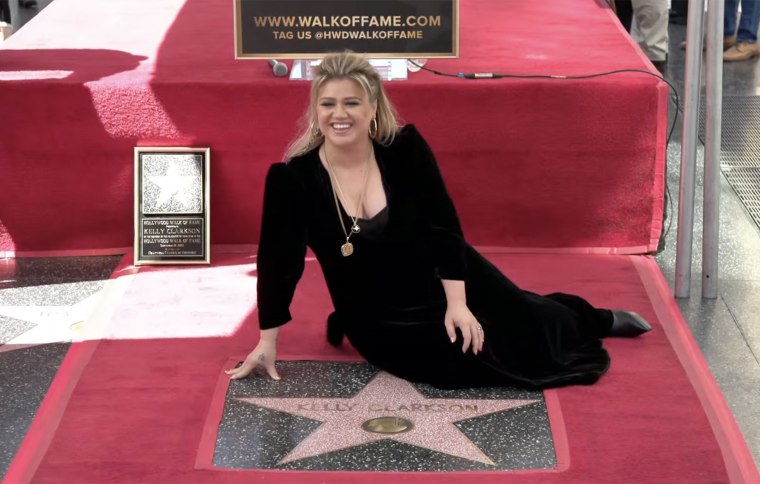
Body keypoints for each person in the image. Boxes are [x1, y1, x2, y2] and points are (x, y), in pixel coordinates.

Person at [226, 52, 652, 389]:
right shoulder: (292, 178)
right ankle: (545, 315)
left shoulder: (404, 149)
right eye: (329, 103)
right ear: (316, 111)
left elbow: (443, 228)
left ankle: (585, 316)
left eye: (352, 102)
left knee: (532, 326)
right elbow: (278, 263)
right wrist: (267, 341)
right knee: (467, 362)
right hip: (380, 316)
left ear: (372, 106)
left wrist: (458, 304)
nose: (341, 114)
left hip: (441, 274)